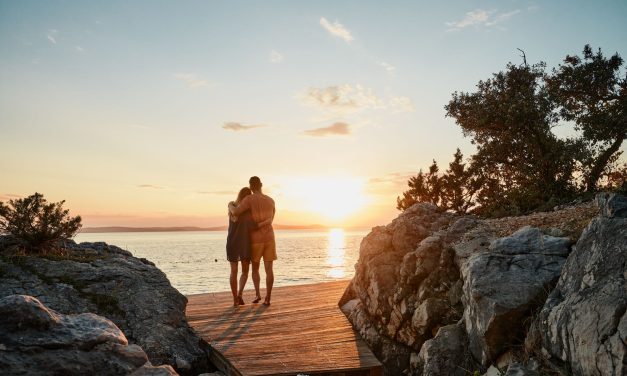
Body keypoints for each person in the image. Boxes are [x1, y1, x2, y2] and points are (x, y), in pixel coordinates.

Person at [229, 176, 276, 306]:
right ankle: (268, 298)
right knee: (269, 269)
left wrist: (230, 204)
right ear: (261, 185)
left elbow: (236, 212)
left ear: (250, 187)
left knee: (255, 269)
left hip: (255, 239)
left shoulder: (249, 199)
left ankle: (257, 294)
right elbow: (271, 219)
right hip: (270, 238)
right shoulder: (271, 200)